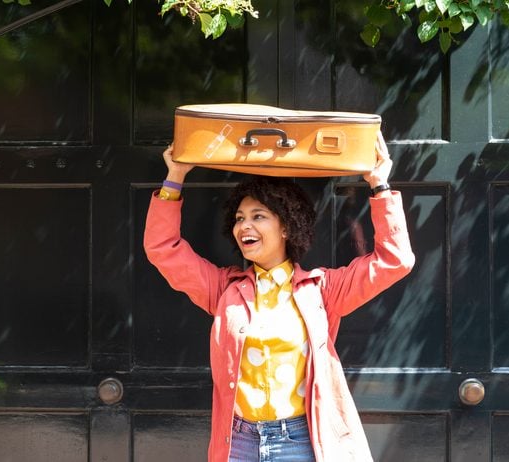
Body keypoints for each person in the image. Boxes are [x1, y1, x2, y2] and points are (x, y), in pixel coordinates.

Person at [143, 132, 415, 462]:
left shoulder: (324, 290)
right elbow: (163, 249)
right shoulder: (223, 289)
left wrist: (379, 184)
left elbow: (395, 260)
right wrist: (175, 177)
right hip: (238, 443)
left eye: (258, 216)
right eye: (239, 218)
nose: (244, 226)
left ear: (285, 227)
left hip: (300, 442)